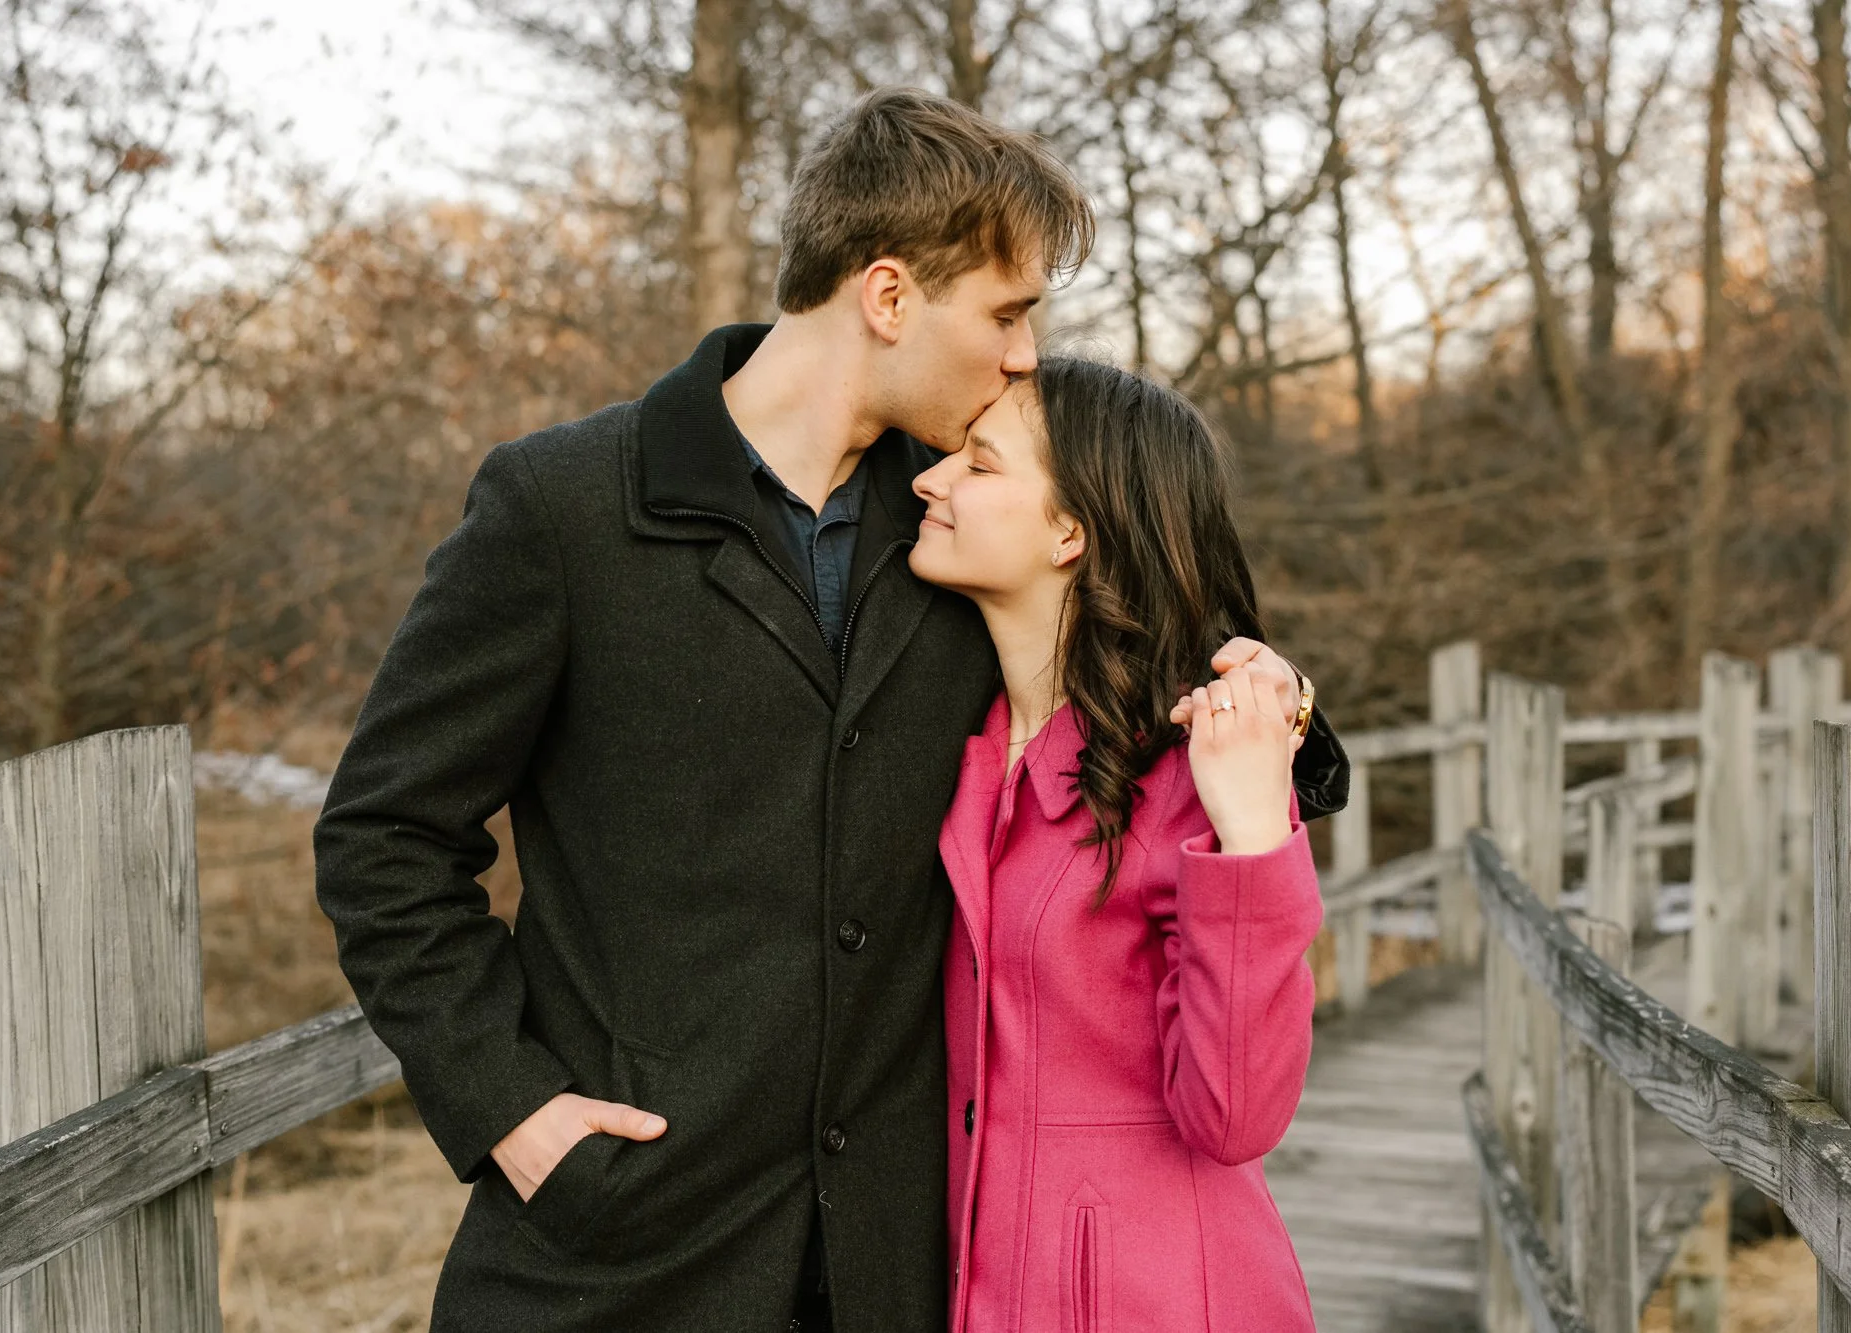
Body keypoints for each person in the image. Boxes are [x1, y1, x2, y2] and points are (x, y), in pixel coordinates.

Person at [313, 87, 1347, 1333]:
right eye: (1006, 313)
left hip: (897, 1270)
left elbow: (1143, 635)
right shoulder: (565, 510)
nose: (1023, 356)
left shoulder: (957, 526)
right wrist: (508, 1107)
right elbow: (383, 840)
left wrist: (1276, 710)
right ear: (890, 295)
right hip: (619, 1260)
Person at [911, 358, 1322, 1332]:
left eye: (977, 463)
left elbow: (1235, 1117)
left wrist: (1255, 832)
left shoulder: (1186, 773)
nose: (929, 482)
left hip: (1158, 1297)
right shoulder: (954, 750)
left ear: (1068, 530)